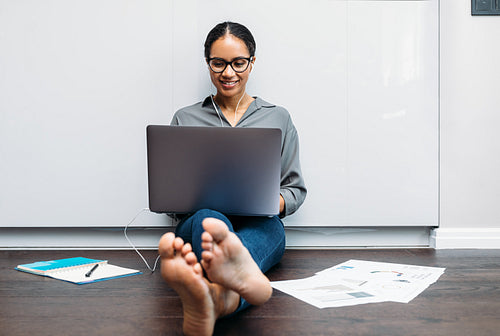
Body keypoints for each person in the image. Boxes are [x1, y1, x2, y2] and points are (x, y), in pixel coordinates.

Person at [158, 21, 306, 336]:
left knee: (268, 229)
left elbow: (294, 189)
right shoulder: (185, 118)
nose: (228, 73)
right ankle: (234, 283)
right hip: (201, 220)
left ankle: (217, 297)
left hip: (260, 222)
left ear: (252, 62)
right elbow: (170, 196)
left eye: (239, 63)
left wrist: (272, 201)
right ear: (208, 63)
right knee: (209, 220)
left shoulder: (277, 117)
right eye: (219, 63)